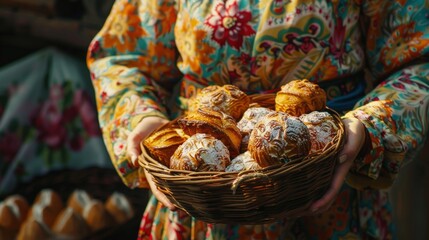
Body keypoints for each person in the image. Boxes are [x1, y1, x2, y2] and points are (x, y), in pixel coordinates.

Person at [86, 0, 429, 239]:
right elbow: (123, 56)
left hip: (329, 181)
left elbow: (419, 59)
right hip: (201, 188)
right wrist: (140, 117)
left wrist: (368, 126)